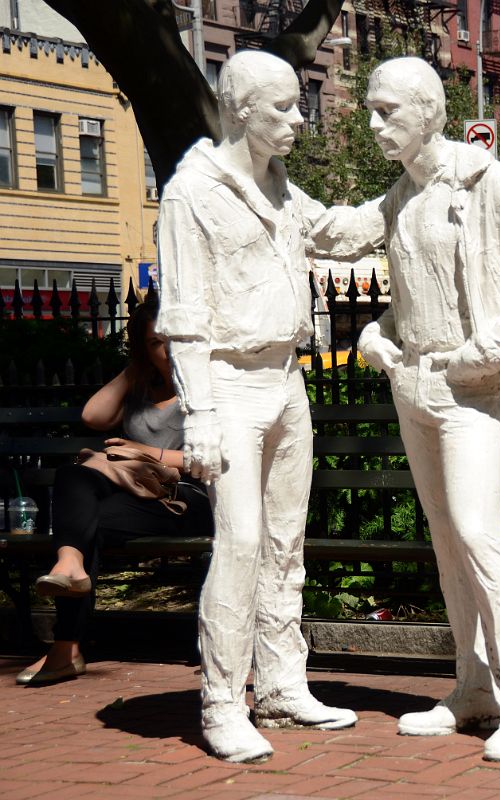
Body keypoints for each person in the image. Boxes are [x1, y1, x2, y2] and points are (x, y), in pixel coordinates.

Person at [311, 57, 500, 762]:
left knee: (481, 536)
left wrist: (481, 358)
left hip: (469, 387)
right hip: (414, 388)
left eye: (386, 110)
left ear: (428, 111)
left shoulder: (490, 182)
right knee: (448, 543)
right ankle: (475, 686)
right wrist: (376, 334)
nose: (372, 124)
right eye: (370, 109)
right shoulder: (400, 197)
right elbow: (358, 250)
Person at [156, 50, 355, 764]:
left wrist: (414, 187)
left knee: (283, 546)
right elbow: (182, 316)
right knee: (238, 546)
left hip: (285, 380)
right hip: (232, 387)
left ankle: (280, 685)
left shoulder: (279, 185)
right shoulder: (191, 194)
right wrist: (201, 414)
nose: (299, 119)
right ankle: (220, 701)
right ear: (240, 109)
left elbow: (335, 231)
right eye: (283, 108)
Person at [17, 297, 213, 686]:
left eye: (174, 338)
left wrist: (147, 451)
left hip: (185, 500)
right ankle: (69, 566)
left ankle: (65, 647)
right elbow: (92, 416)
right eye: (156, 342)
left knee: (86, 524)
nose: (168, 350)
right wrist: (135, 367)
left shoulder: (209, 392)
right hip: (135, 493)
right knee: (74, 477)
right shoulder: (139, 388)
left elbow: (212, 461)